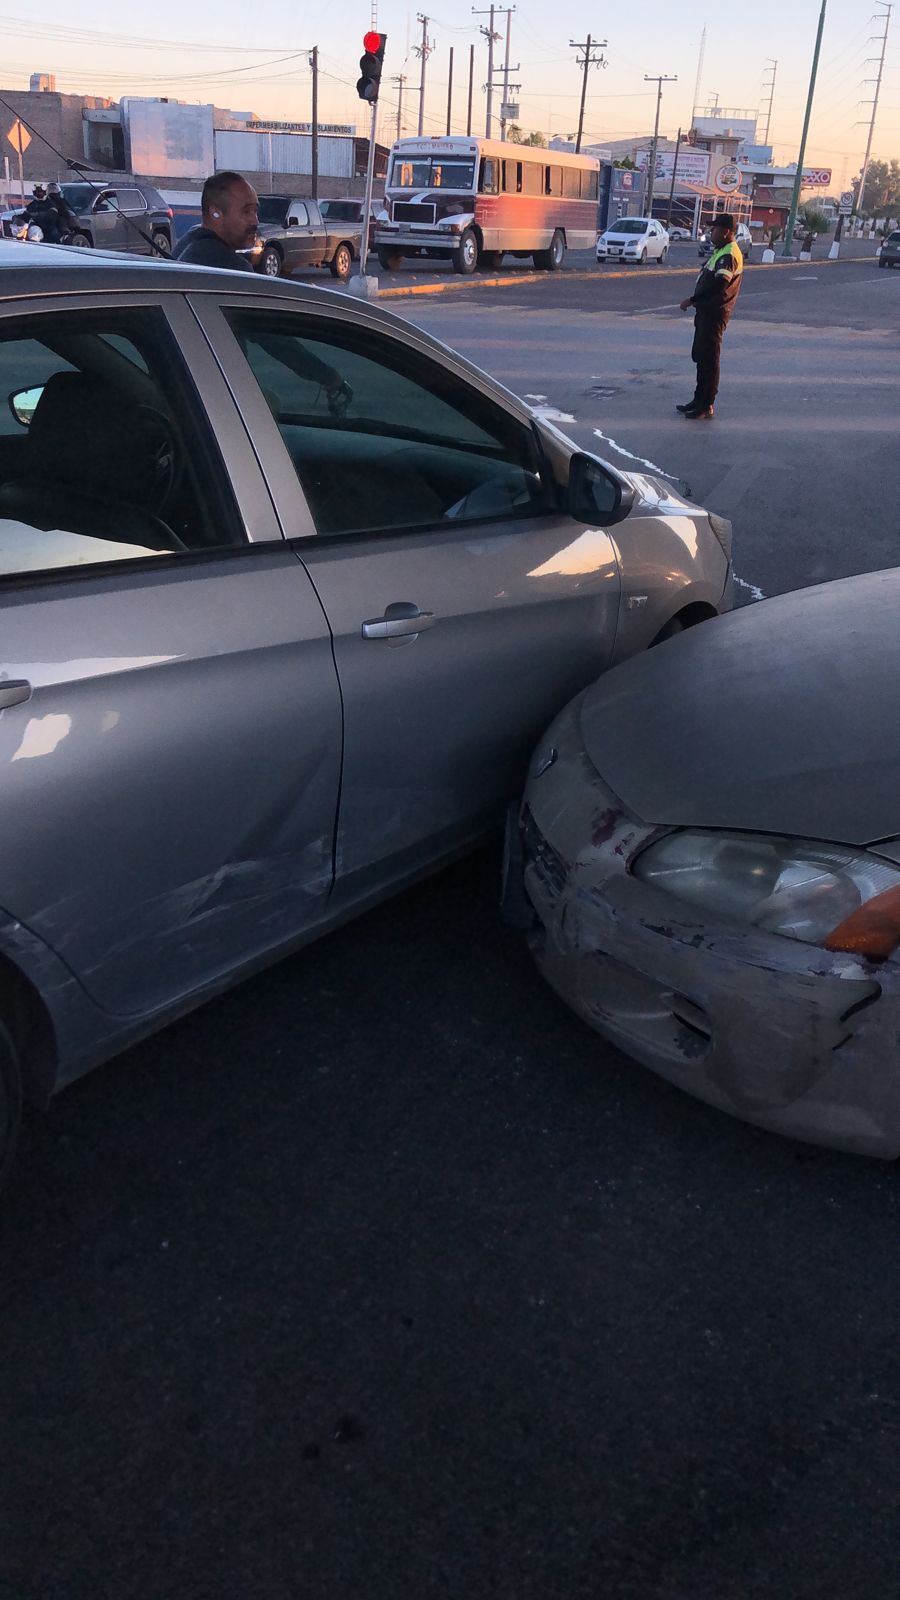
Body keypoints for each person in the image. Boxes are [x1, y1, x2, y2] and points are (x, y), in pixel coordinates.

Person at [175, 170, 351, 416]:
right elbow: (273, 337)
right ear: (215, 213)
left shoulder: (186, 246)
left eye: (256, 210)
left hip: (189, 389)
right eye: (246, 211)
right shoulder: (228, 268)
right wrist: (327, 376)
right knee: (268, 409)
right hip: (216, 397)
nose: (255, 220)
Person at [677, 213, 744, 420]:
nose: (711, 233)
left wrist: (693, 300)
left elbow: (719, 284)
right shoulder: (721, 251)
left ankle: (706, 404)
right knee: (701, 357)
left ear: (726, 232)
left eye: (714, 230)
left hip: (715, 313)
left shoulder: (729, 254)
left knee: (709, 359)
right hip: (706, 312)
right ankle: (698, 399)